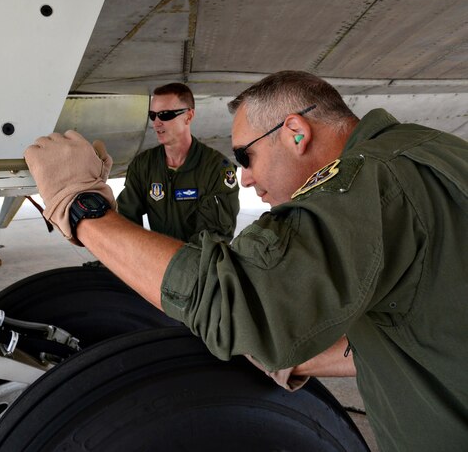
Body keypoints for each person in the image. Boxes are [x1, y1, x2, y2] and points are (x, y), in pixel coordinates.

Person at [24, 71, 468, 451]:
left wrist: (83, 211)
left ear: (296, 132)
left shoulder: (370, 181)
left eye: (246, 156)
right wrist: (290, 359)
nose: (246, 177)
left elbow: (239, 299)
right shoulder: (429, 153)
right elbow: (419, 324)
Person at [117, 83, 240, 243]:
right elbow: (126, 220)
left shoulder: (216, 168)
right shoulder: (144, 165)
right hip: (157, 262)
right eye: (153, 115)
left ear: (188, 116)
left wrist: (173, 262)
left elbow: (214, 237)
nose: (156, 123)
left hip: (197, 265)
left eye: (165, 115)